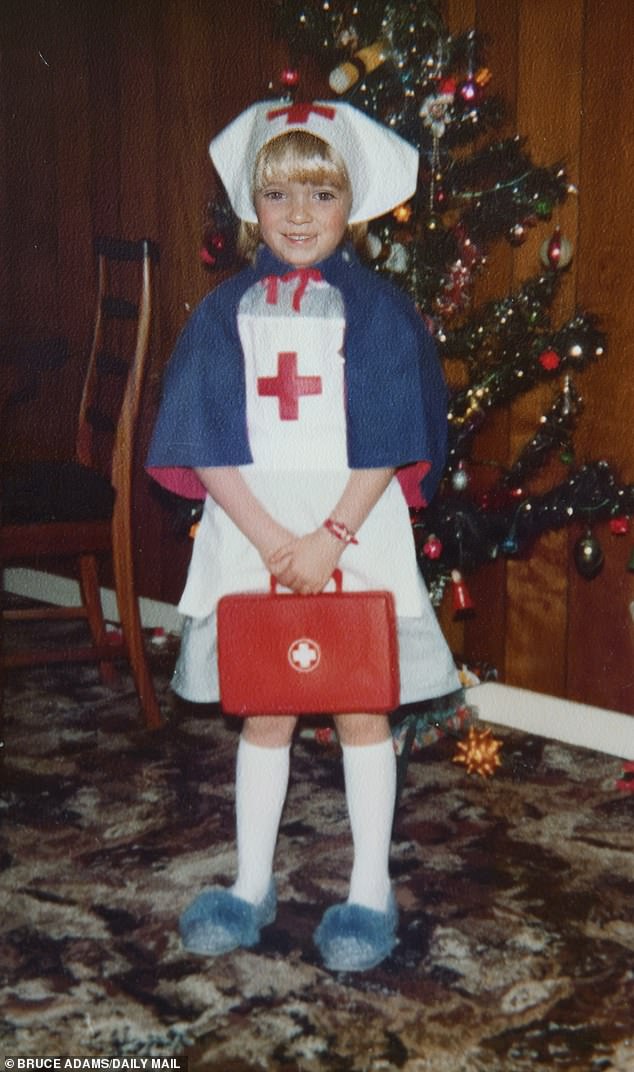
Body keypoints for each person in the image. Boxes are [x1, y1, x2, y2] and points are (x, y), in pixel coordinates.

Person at [146, 99, 460, 972]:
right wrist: (268, 540)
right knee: (266, 707)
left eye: (321, 194)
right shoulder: (223, 313)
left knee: (362, 705)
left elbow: (392, 433)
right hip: (256, 533)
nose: (296, 214)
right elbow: (201, 437)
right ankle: (250, 884)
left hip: (352, 533)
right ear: (251, 203)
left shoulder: (379, 312)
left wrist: (328, 537)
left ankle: (369, 891)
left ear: (352, 204)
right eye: (277, 193)